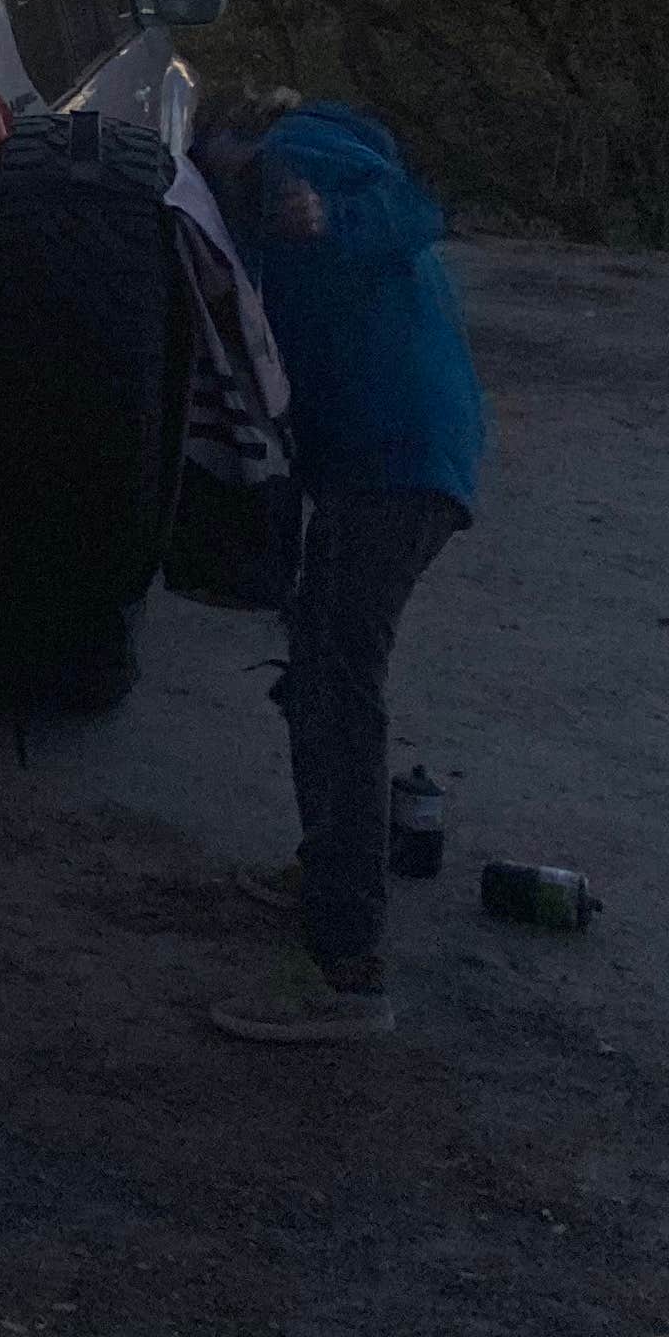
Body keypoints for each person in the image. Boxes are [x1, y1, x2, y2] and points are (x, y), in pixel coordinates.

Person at [200, 95, 487, 1044]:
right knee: (315, 671)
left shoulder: (301, 156)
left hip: (396, 465)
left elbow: (399, 210)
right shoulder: (301, 171)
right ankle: (326, 871)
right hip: (388, 456)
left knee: (340, 690)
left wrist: (318, 213)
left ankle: (348, 970)